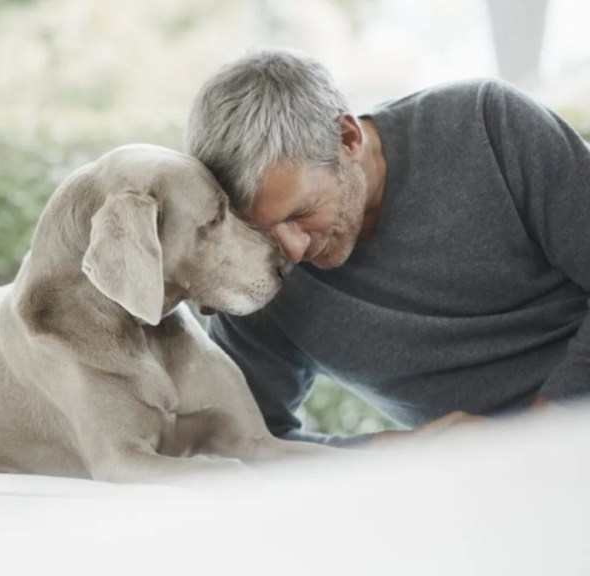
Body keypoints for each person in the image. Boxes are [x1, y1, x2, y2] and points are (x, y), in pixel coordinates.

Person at [184, 47, 590, 445]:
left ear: (347, 138)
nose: (290, 251)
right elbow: (243, 440)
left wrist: (540, 431)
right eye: (264, 230)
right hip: (486, 486)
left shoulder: (489, 125)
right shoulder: (254, 274)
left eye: (300, 212)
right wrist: (390, 455)